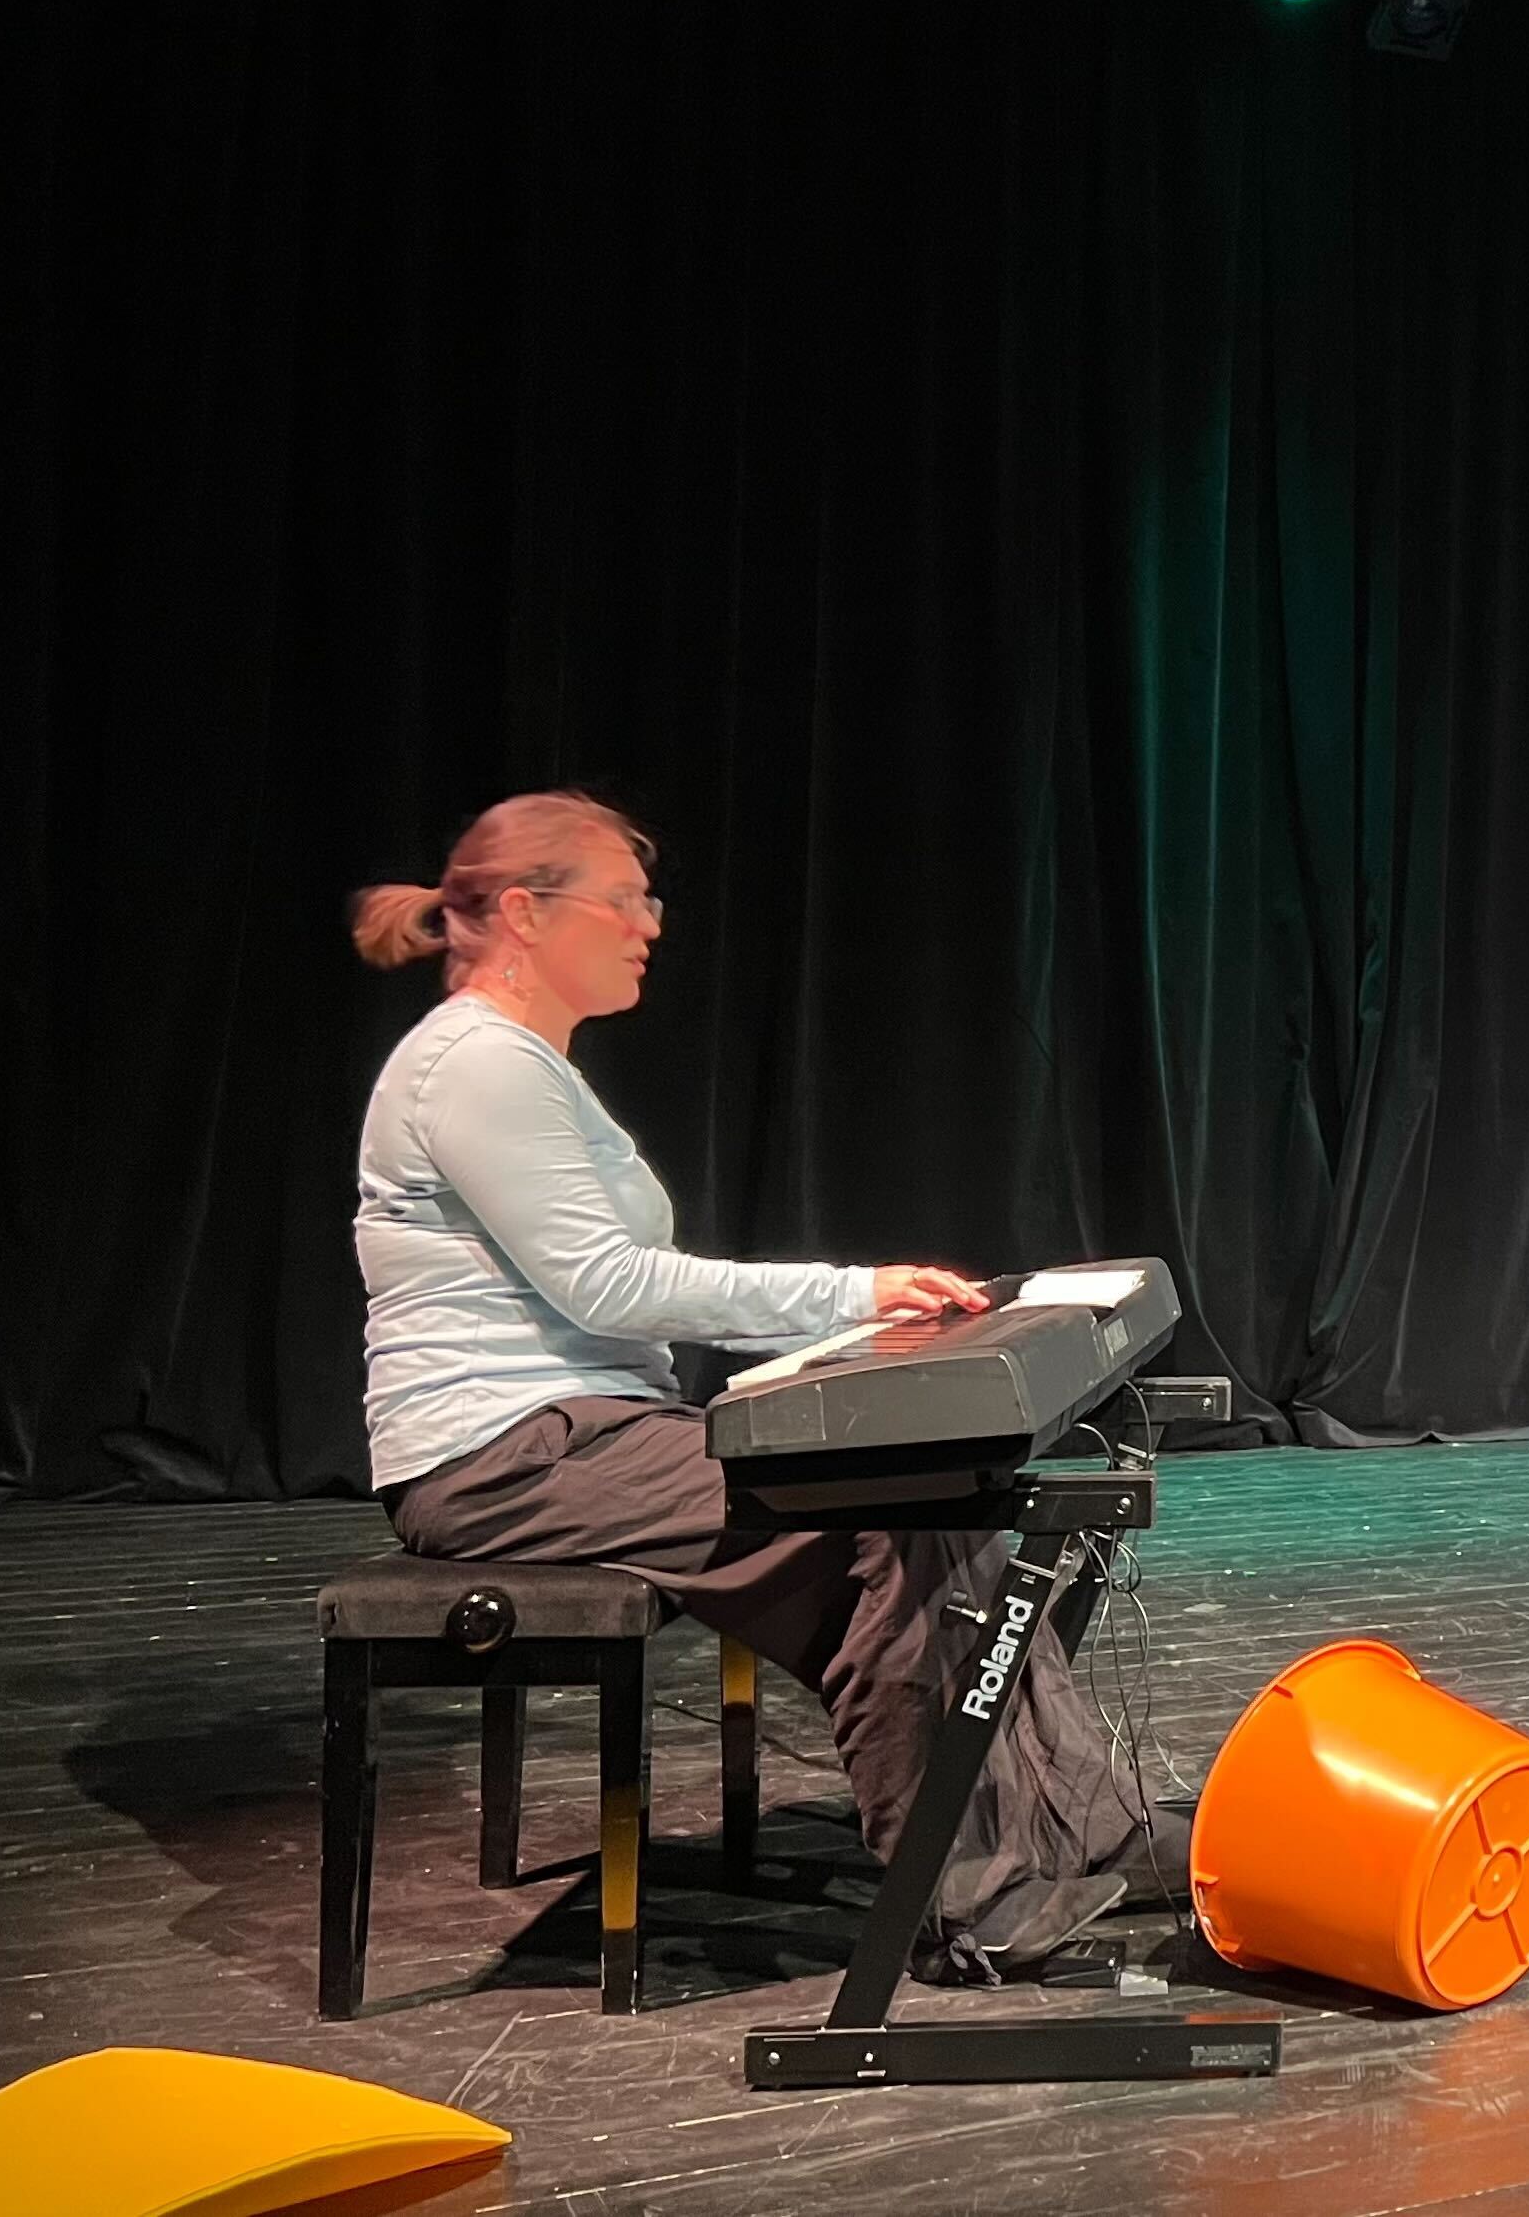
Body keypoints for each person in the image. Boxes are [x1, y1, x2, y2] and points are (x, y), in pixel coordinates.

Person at [350, 792, 1157, 1980]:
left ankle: (1081, 1829)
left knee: (927, 1495)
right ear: (524, 912)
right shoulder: (476, 1066)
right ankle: (963, 1896)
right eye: (624, 901)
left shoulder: (526, 1067)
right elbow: (608, 1286)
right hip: (504, 1456)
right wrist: (848, 1296)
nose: (649, 926)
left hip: (587, 1433)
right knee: (894, 1512)